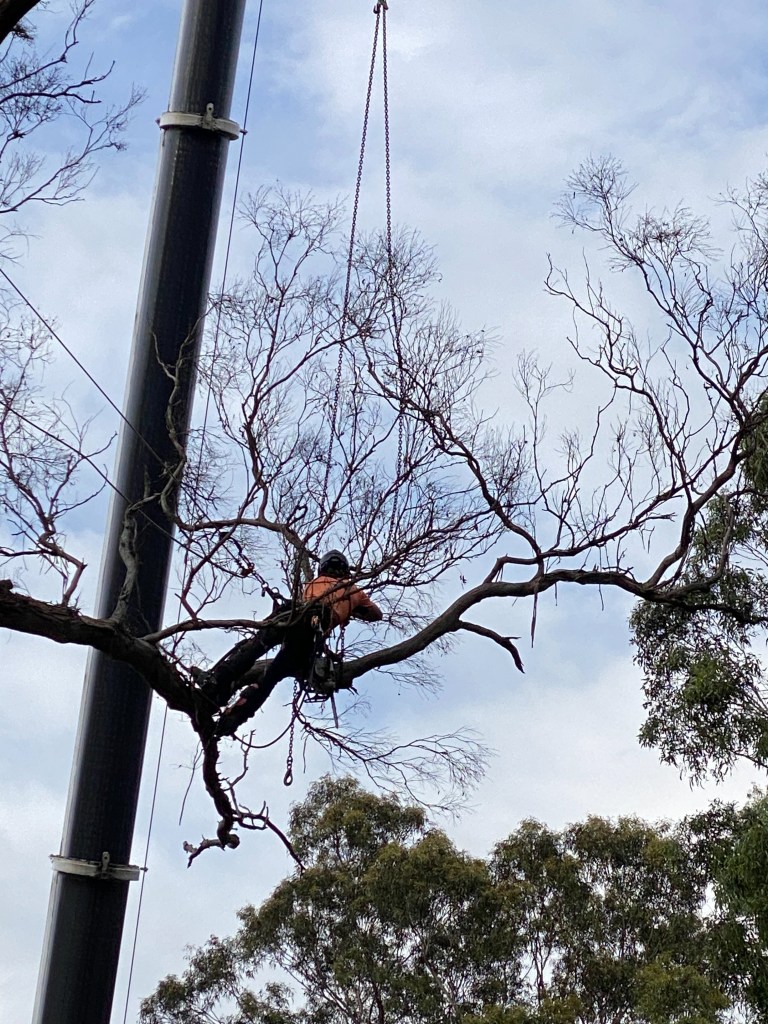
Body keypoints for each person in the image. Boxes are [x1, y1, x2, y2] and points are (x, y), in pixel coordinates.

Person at [196, 550, 383, 737]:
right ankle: (233, 718)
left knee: (256, 647)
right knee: (270, 676)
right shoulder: (354, 591)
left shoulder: (312, 584)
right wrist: (353, 608)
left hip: (293, 617)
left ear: (323, 568)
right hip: (309, 635)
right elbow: (376, 615)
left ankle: (216, 683)